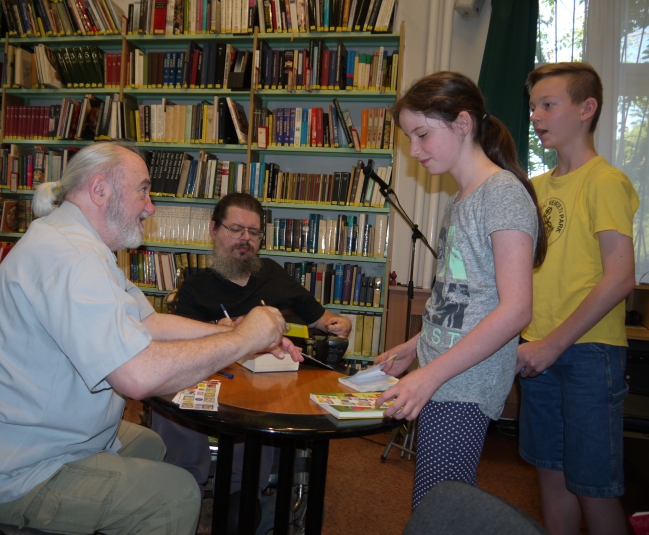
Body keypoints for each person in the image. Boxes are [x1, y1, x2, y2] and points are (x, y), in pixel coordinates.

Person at [0, 142, 302, 535]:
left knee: (152, 446)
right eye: (143, 190)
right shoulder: (72, 258)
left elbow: (149, 321)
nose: (150, 207)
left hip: (19, 435)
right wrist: (244, 340)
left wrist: (240, 332)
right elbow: (137, 377)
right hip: (2, 472)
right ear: (100, 189)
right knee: (176, 494)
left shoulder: (76, 242)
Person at [373, 71, 547, 509]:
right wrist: (413, 348)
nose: (414, 150)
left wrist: (429, 375)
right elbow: (455, 300)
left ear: (463, 123)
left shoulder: (501, 194)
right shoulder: (458, 200)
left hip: (463, 383)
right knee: (436, 501)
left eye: (422, 134)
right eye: (409, 138)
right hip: (441, 375)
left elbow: (516, 310)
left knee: (438, 508)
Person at [152, 192, 351, 516]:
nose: (245, 238)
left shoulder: (274, 274)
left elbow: (321, 319)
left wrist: (338, 323)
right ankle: (182, 490)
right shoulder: (196, 287)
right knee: (172, 401)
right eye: (236, 229)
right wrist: (219, 328)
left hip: (267, 381)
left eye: (253, 232)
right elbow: (178, 345)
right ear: (214, 230)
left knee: (262, 409)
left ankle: (242, 499)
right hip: (211, 378)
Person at [516, 63, 638, 535]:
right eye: (533, 106)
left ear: (587, 109)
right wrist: (536, 343)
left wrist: (553, 344)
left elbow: (620, 278)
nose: (535, 115)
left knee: (593, 486)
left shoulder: (605, 181)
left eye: (548, 105)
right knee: (551, 476)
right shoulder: (535, 187)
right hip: (537, 349)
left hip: (588, 352)